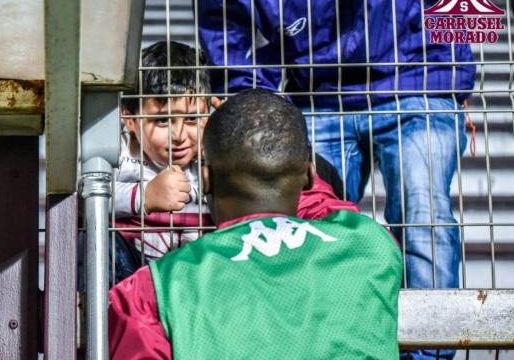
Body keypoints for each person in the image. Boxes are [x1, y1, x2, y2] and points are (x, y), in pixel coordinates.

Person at [197, 0, 475, 359]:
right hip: (319, 90)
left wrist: (454, 79)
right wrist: (251, 106)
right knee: (302, 222)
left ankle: (431, 353)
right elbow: (226, 20)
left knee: (422, 210)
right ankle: (312, 344)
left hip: (417, 79)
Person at [108, 89, 403, 359]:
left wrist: (231, 135)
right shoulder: (373, 245)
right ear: (309, 175)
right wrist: (262, 136)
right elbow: (325, 203)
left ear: (206, 179)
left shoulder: (155, 288)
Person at [112, 41, 357, 269]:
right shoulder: (119, 151)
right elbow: (85, 198)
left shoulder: (213, 151)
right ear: (130, 118)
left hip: (208, 267)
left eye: (192, 118)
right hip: (133, 267)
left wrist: (229, 137)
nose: (179, 135)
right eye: (162, 121)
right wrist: (143, 196)